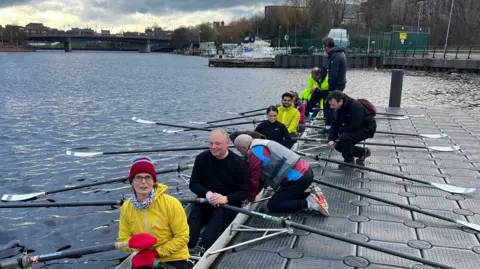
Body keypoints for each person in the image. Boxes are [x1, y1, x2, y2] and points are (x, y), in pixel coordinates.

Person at [118, 156, 190, 269]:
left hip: (173, 257)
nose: (143, 182)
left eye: (147, 177)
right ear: (131, 182)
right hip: (144, 257)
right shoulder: (126, 207)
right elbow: (123, 240)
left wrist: (156, 253)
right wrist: (132, 244)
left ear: (154, 181)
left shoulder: (171, 203)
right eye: (138, 177)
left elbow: (182, 237)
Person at [187, 129, 250, 256]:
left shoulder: (239, 164)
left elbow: (243, 192)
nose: (213, 147)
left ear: (227, 144)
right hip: (205, 200)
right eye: (211, 144)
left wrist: (225, 198)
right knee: (196, 214)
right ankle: (188, 243)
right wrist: (208, 193)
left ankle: (203, 248)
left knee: (219, 214)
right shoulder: (201, 159)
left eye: (217, 144)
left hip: (228, 204)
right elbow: (193, 183)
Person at [233, 134, 329, 216]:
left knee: (273, 205)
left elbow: (254, 179)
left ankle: (310, 204)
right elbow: (262, 179)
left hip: (298, 179)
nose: (240, 153)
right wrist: (254, 194)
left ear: (244, 148)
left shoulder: (254, 154)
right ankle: (307, 194)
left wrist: (250, 198)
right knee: (284, 195)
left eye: (239, 150)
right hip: (307, 172)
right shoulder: (264, 143)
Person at [326, 90, 376, 168]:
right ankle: (363, 152)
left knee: (345, 137)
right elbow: (335, 124)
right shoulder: (337, 108)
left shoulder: (356, 106)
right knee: (338, 146)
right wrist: (331, 139)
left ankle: (349, 161)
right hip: (352, 126)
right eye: (330, 105)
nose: (331, 107)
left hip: (367, 127)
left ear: (341, 101)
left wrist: (340, 130)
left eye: (333, 105)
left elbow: (355, 125)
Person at [323, 37, 347, 130]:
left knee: (330, 104)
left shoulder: (334, 56)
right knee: (333, 104)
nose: (324, 49)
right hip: (341, 83)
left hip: (337, 84)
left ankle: (330, 126)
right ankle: (331, 124)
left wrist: (331, 88)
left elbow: (333, 74)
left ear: (326, 46)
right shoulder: (340, 53)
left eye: (324, 46)